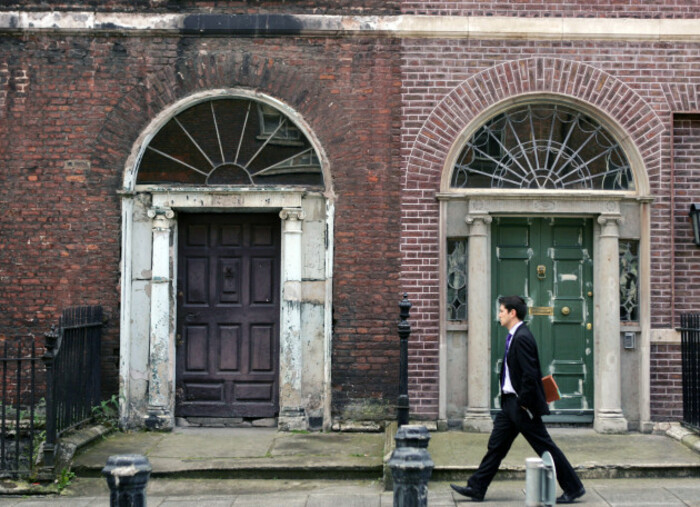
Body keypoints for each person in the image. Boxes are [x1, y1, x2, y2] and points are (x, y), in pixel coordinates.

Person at [450, 295, 585, 503]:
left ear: (512, 313)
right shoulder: (515, 335)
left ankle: (573, 487)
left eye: (501, 311)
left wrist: (523, 402)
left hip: (521, 405)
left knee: (544, 446)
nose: (499, 315)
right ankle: (477, 487)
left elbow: (530, 375)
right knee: (496, 446)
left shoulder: (522, 337)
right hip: (509, 404)